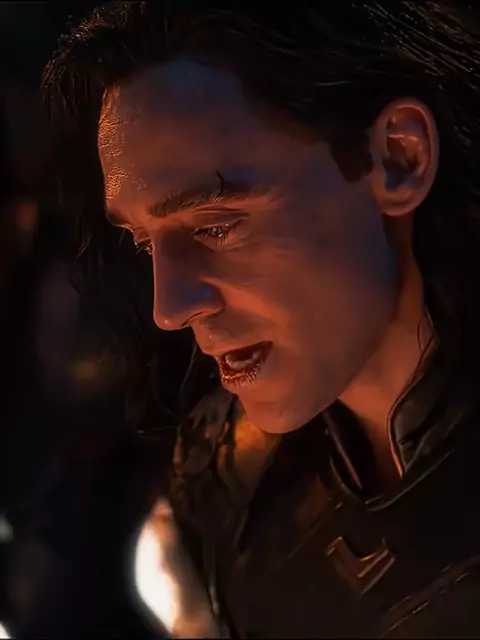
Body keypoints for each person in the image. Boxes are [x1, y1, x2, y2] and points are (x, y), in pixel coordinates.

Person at [43, 1, 480, 637]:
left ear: (397, 157)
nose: (171, 307)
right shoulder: (229, 482)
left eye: (217, 225)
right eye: (143, 241)